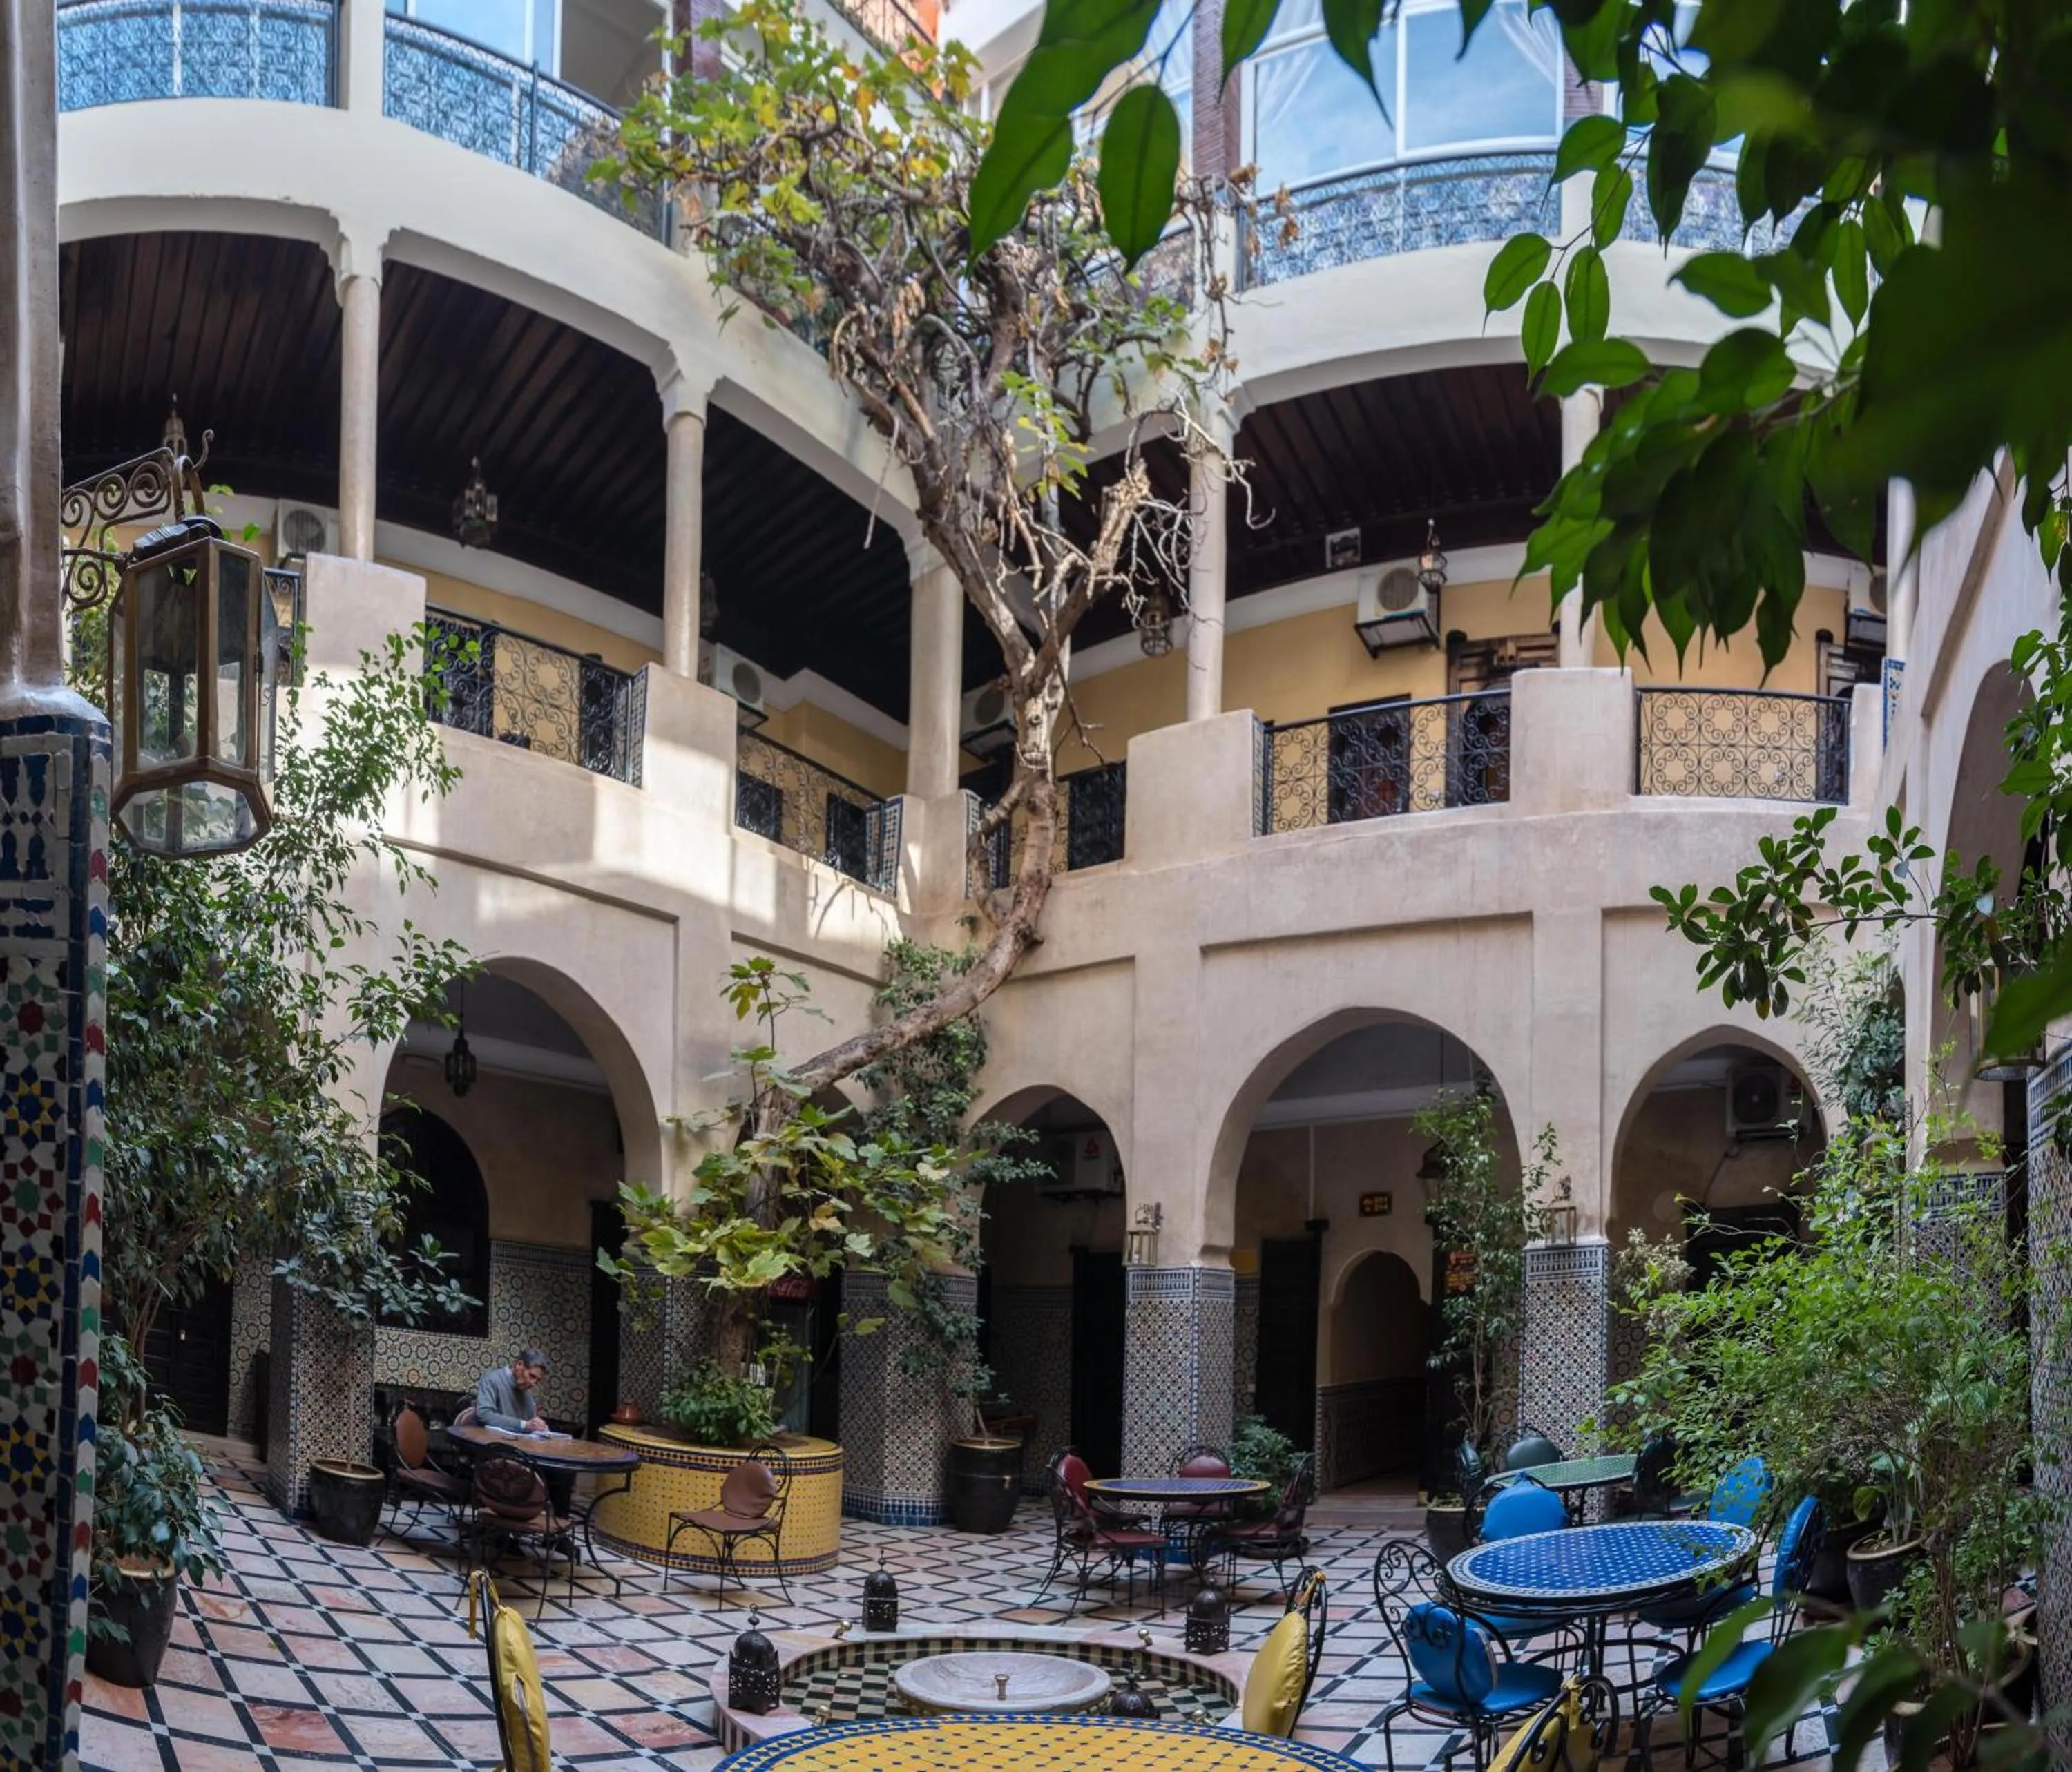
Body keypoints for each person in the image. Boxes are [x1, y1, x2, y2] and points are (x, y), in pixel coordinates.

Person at [475, 1349, 550, 1433]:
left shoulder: (527, 1393)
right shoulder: (492, 1380)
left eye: (537, 1381)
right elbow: (483, 1414)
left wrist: (539, 1426)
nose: (533, 1383)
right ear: (519, 1365)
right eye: (532, 1376)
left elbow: (532, 1423)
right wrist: (523, 1425)